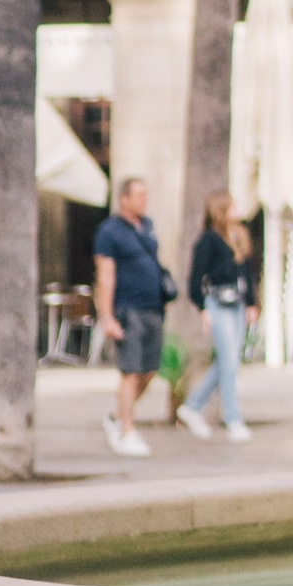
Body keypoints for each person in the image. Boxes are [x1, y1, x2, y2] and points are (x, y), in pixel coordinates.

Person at [94, 177, 176, 459]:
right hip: (127, 309)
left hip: (153, 307)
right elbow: (105, 276)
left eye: (146, 194)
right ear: (124, 199)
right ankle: (127, 429)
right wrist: (107, 317)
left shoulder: (147, 227)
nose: (144, 200)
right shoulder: (110, 232)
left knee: (149, 370)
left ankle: (117, 416)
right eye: (139, 195)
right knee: (130, 371)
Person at [179, 188, 256, 440]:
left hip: (237, 304)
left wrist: (252, 303)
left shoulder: (238, 236)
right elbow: (195, 279)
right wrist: (202, 308)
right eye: (232, 206)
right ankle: (233, 420)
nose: (237, 210)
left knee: (229, 361)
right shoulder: (208, 241)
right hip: (217, 304)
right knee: (229, 362)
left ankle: (191, 407)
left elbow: (246, 274)